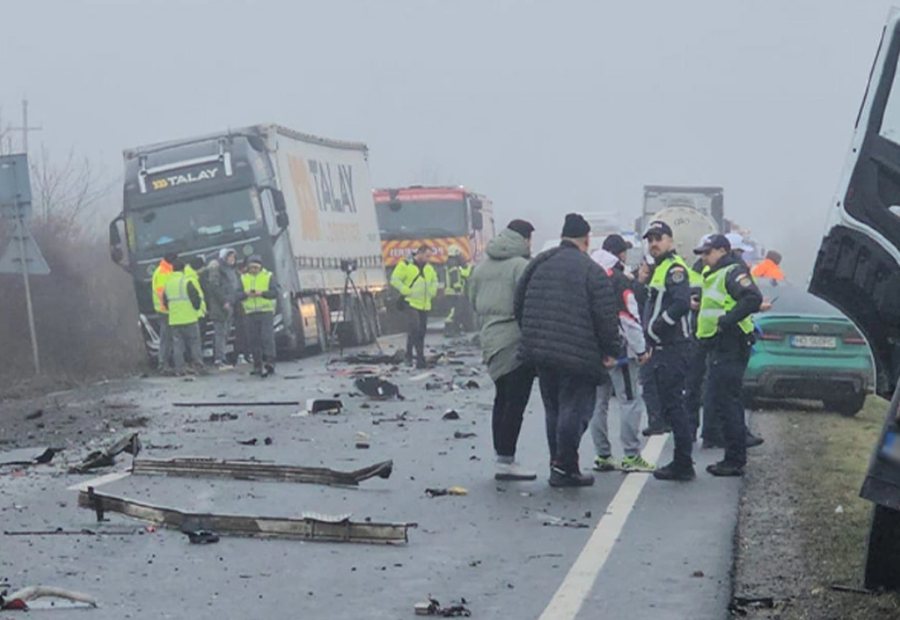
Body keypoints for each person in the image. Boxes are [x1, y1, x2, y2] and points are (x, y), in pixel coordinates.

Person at [514, 213, 621, 487]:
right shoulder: (591, 270)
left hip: (540, 351)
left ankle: (558, 464)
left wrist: (531, 335)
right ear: (586, 239)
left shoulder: (538, 263)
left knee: (554, 409)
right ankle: (565, 466)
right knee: (576, 409)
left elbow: (519, 302)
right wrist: (611, 350)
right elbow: (606, 315)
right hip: (578, 354)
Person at [468, 220, 538, 481]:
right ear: (524, 239)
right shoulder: (521, 266)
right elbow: (529, 304)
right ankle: (507, 460)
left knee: (501, 398)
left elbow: (472, 300)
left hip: (490, 338)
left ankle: (501, 456)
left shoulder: (481, 267)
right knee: (515, 402)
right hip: (515, 340)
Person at [694, 234, 763, 476]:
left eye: (707, 252)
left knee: (728, 402)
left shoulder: (733, 271)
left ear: (722, 250)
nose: (703, 257)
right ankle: (731, 456)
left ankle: (734, 459)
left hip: (730, 344)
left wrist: (727, 320)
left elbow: (753, 298)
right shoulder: (713, 273)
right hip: (718, 345)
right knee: (722, 401)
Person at [589, 235, 656, 473]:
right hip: (621, 352)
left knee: (599, 404)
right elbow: (629, 319)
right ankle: (631, 455)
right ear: (621, 254)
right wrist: (641, 349)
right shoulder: (619, 281)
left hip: (594, 351)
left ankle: (603, 454)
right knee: (629, 401)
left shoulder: (588, 276)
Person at [641, 221, 695, 482]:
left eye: (659, 238)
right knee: (671, 406)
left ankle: (683, 463)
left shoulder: (674, 268)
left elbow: (681, 302)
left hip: (674, 347)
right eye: (650, 239)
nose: (654, 244)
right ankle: (681, 460)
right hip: (663, 347)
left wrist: (659, 326)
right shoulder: (659, 268)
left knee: (675, 406)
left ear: (671, 241)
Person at [390, 246, 438, 368]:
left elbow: (434, 281)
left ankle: (413, 356)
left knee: (421, 331)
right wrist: (404, 289)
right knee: (415, 328)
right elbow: (394, 279)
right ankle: (415, 357)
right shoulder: (405, 265)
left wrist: (432, 291)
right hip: (410, 302)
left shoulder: (429, 268)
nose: (428, 259)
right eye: (427, 256)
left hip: (424, 304)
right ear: (420, 254)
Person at [162, 258, 205, 376]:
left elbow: (165, 302)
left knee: (178, 345)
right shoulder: (187, 282)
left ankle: (179, 369)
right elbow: (196, 299)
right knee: (194, 343)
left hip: (175, 320)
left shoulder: (168, 283)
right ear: (183, 269)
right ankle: (198, 366)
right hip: (190, 318)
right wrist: (196, 309)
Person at [238, 255, 279, 377]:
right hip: (250, 313)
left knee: (267, 338)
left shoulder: (268, 276)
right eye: (251, 267)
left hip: (266, 312)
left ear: (260, 267)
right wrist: (245, 294)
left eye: (256, 267)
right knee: (253, 340)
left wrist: (262, 293)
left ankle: (270, 363)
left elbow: (275, 292)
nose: (253, 270)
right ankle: (257, 365)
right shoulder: (243, 278)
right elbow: (237, 294)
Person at [203, 248, 240, 369]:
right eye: (230, 257)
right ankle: (219, 359)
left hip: (230, 304)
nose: (232, 259)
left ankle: (222, 357)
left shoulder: (232, 270)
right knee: (220, 333)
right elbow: (214, 288)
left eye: (233, 257)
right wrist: (224, 301)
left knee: (226, 333)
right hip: (220, 307)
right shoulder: (217, 270)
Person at [151, 252, 177, 374]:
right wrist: (168, 306)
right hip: (164, 310)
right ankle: (163, 364)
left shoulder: (166, 270)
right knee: (166, 338)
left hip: (167, 309)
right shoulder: (162, 272)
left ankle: (166, 363)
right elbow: (161, 293)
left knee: (169, 337)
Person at [444, 245, 474, 336]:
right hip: (454, 293)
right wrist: (458, 290)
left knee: (456, 312)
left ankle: (455, 330)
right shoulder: (453, 263)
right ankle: (450, 330)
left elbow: (463, 274)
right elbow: (455, 278)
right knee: (453, 313)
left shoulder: (452, 262)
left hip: (453, 292)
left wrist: (468, 267)